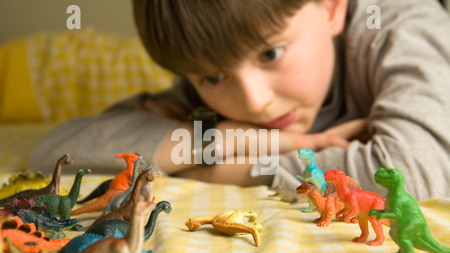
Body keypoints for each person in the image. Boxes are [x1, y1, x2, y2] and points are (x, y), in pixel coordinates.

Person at [29, 0, 450, 201]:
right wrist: (216, 138)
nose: (255, 102)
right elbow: (54, 151)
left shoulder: (399, 23)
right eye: (213, 77)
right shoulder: (207, 91)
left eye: (271, 53)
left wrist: (235, 169)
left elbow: (417, 172)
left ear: (330, 8)